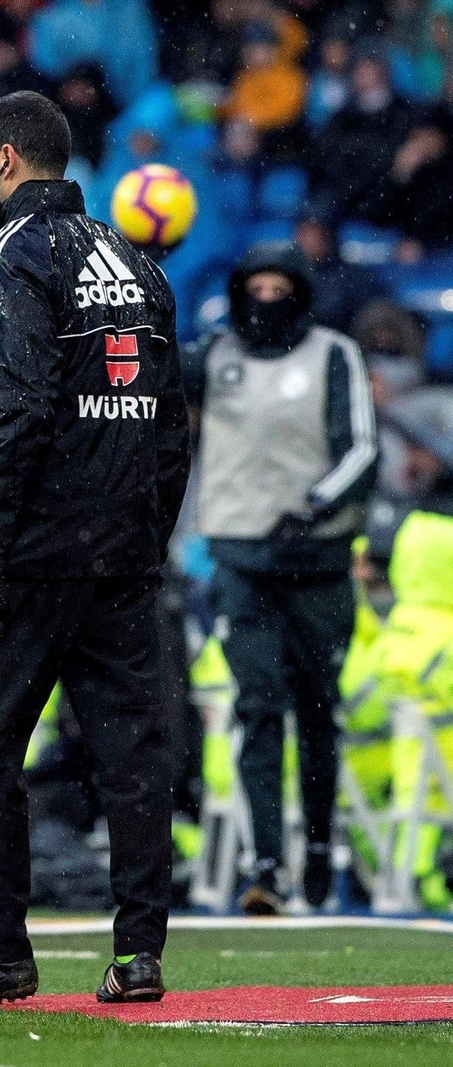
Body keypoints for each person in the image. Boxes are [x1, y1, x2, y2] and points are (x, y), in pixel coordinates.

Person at [0, 92, 189, 1005]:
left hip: (33, 550)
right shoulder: (137, 262)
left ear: (11, 161)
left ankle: (0, 948)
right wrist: (146, 536)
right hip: (124, 552)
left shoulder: (8, 254)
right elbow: (171, 429)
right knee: (132, 754)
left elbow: (11, 413)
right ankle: (139, 953)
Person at [183, 242, 377, 915]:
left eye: (279, 287)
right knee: (257, 703)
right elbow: (153, 389)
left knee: (318, 707)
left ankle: (319, 842)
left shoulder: (332, 353)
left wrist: (318, 503)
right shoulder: (214, 354)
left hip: (316, 558)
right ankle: (266, 862)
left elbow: (362, 445)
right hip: (241, 555)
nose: (267, 300)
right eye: (255, 287)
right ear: (239, 293)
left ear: (300, 292)